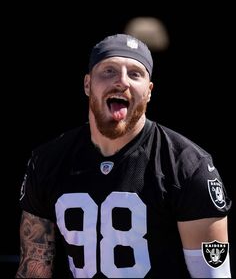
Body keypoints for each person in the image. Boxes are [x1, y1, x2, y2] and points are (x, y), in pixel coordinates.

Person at [16, 34, 232, 278]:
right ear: (87, 84)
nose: (122, 81)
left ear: (149, 91)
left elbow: (212, 276)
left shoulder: (187, 166)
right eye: (108, 71)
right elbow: (34, 266)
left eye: (135, 73)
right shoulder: (48, 161)